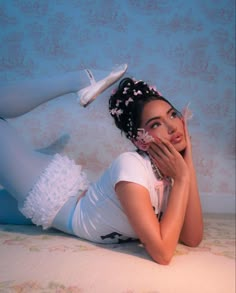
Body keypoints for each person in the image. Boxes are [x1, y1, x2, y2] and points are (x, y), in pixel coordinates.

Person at [0, 66, 203, 265]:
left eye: (173, 114)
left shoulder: (170, 171)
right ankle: (79, 80)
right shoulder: (131, 166)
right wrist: (183, 178)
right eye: (155, 124)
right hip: (50, 195)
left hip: (76, 199)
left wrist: (188, 162)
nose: (172, 126)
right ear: (139, 140)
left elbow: (192, 238)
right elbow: (163, 253)